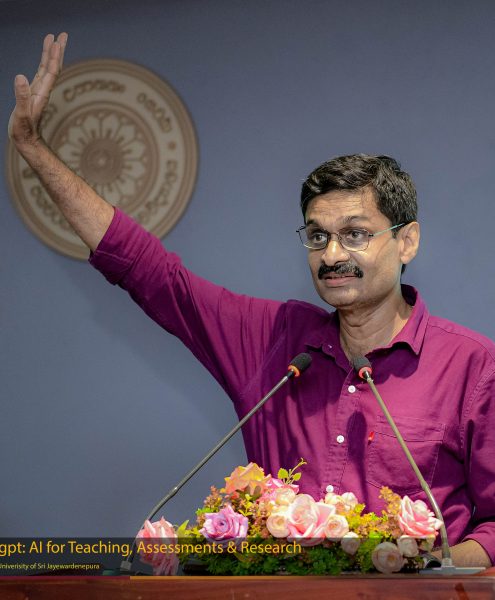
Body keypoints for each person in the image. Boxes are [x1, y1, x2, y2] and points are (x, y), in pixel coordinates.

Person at [9, 33, 494, 568]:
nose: (332, 254)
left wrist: (426, 572)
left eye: (355, 234)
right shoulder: (274, 343)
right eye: (317, 236)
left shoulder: (471, 366)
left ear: (407, 241)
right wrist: (33, 149)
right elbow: (149, 271)